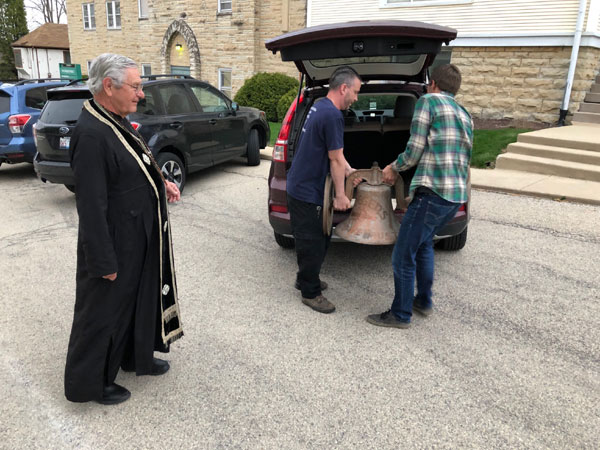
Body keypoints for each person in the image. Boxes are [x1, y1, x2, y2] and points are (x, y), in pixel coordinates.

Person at [64, 53, 184, 405]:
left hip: (137, 237)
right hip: (113, 243)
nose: (141, 94)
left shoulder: (113, 119)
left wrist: (160, 182)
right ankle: (91, 384)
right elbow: (90, 205)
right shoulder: (91, 135)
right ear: (108, 86)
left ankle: (135, 356)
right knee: (101, 314)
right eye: (135, 86)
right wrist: (102, 261)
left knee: (136, 302)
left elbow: (134, 162)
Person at [366, 64, 473, 329]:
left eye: (428, 85)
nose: (426, 88)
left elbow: (414, 149)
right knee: (424, 244)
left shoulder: (428, 102)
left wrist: (394, 167)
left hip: (432, 193)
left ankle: (400, 314)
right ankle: (423, 301)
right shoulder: (464, 112)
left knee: (402, 255)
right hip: (455, 196)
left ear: (433, 83)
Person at [287, 66, 361, 314]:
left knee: (318, 237)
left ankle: (306, 278)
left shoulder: (320, 105)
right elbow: (335, 160)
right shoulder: (332, 116)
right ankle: (310, 292)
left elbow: (335, 154)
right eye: (356, 92)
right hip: (307, 189)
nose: (356, 98)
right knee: (314, 242)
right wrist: (341, 195)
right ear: (344, 88)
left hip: (302, 184)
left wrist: (350, 172)